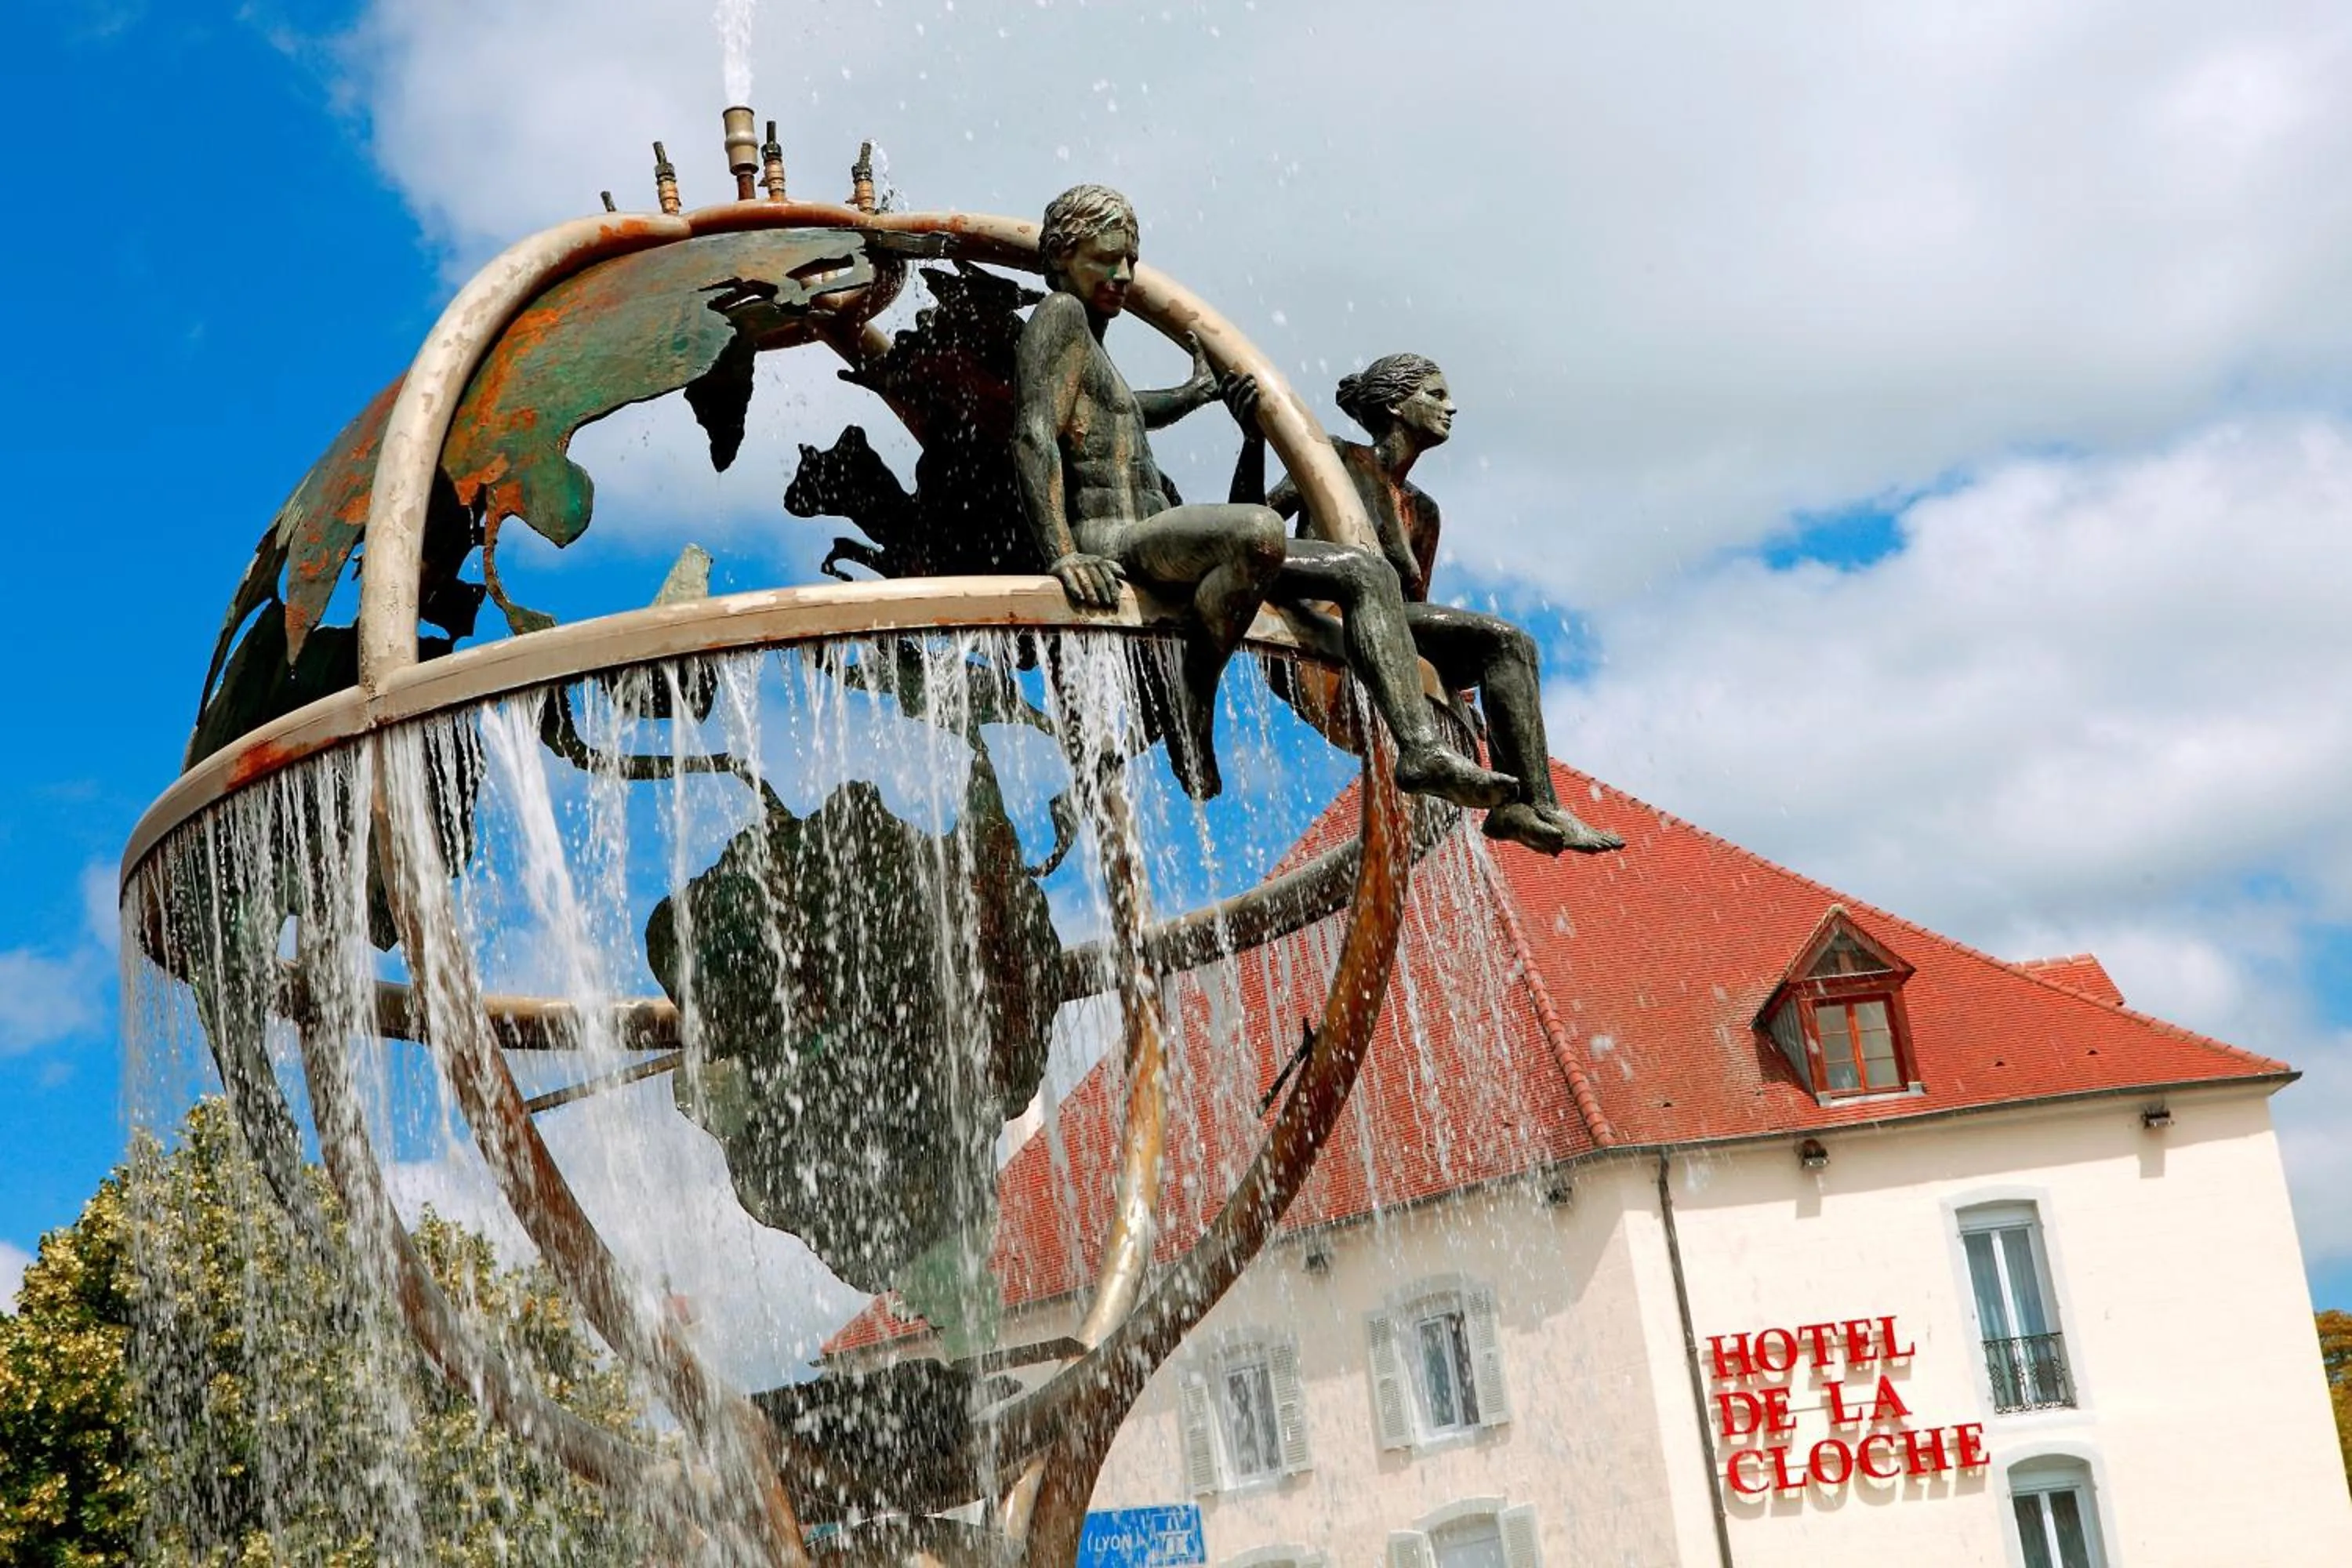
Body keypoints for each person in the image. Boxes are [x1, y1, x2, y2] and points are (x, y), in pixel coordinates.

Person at [1015, 183, 1514, 810]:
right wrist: (1062, 552)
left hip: (1151, 532)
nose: (1123, 274)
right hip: (1112, 540)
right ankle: (1192, 691)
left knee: (1363, 573)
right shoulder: (1057, 317)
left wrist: (1195, 395)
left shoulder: (1093, 350)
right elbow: (1034, 433)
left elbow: (1122, 412)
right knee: (1258, 530)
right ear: (1061, 258)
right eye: (1105, 259)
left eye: (1131, 261)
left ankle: (1417, 748)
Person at [1231, 353, 1623, 855]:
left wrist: (1456, 694)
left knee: (1511, 646)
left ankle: (1529, 805)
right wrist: (1252, 441)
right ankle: (1524, 803)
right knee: (1497, 637)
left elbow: (1413, 610)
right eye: (1436, 395)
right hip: (1321, 627)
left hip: (1383, 634)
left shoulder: (1425, 511)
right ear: (1396, 405)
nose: (1452, 407)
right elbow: (1250, 531)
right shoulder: (1338, 459)